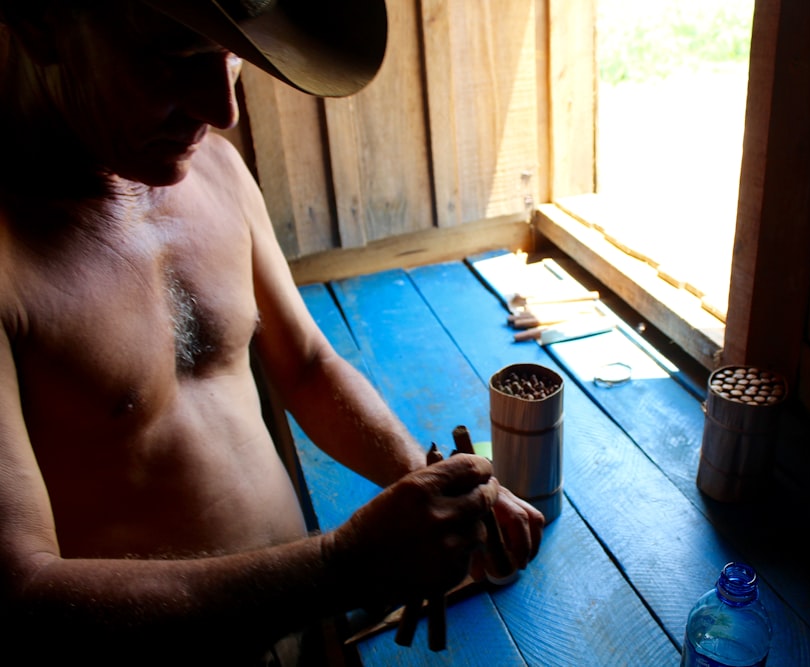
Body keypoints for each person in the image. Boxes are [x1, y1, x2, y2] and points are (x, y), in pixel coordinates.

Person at [0, 1, 544, 664]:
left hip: (304, 630)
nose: (222, 109)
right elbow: (20, 595)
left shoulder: (219, 172)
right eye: (174, 55)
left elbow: (308, 365)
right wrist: (345, 564)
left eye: (232, 57)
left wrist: (429, 488)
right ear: (38, 22)